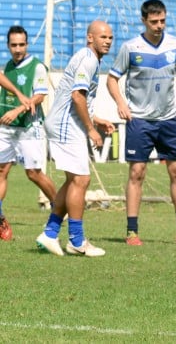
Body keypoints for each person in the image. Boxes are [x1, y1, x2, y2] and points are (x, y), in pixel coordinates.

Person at [107, 0, 176, 247]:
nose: (159, 25)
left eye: (162, 20)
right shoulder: (131, 47)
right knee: (137, 173)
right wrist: (121, 103)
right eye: (154, 21)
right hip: (140, 119)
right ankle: (132, 232)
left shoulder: (175, 44)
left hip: (168, 119)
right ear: (144, 21)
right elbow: (112, 79)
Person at [35, 20, 115, 257]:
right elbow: (77, 97)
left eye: (110, 37)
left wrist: (95, 119)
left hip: (66, 124)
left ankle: (50, 234)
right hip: (65, 126)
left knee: (73, 181)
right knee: (81, 180)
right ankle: (77, 241)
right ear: (90, 38)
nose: (108, 41)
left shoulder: (90, 59)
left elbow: (81, 99)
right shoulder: (88, 59)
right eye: (103, 37)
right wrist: (91, 129)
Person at [0, 26, 57, 242]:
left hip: (29, 127)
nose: (17, 49)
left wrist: (18, 108)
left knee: (33, 173)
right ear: (8, 46)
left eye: (21, 44)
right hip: (7, 127)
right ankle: (0, 219)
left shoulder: (37, 67)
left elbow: (40, 96)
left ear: (27, 44)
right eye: (13, 45)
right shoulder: (8, 66)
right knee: (2, 171)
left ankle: (58, 208)